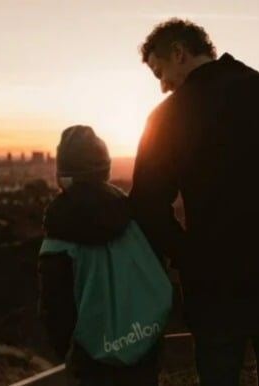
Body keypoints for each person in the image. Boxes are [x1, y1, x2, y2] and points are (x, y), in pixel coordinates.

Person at [129, 18, 259, 386]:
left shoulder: (167, 117)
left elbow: (147, 204)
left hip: (215, 285)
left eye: (160, 71)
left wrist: (187, 253)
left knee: (219, 375)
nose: (162, 86)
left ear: (179, 53)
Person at [37, 125, 168, 386]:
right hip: (144, 342)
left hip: (92, 359)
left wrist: (65, 349)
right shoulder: (132, 217)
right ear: (105, 170)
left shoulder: (59, 234)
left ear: (62, 176)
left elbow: (55, 307)